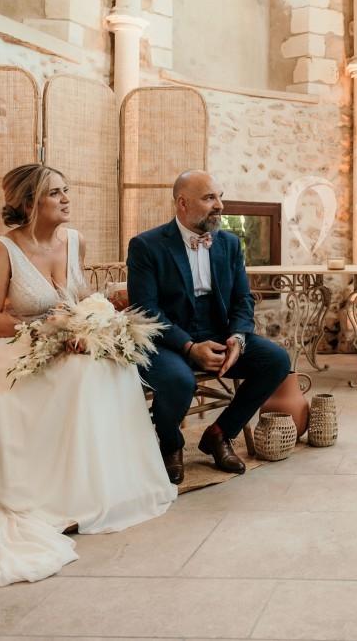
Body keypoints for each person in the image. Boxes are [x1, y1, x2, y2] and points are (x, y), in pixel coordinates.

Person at [0, 164, 176, 592]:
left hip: (65, 339)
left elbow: (77, 300)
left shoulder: (74, 241)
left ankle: (103, 487)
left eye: (66, 190)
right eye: (55, 193)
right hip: (12, 347)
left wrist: (87, 326)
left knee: (112, 364)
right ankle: (63, 495)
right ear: (28, 203)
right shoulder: (1, 249)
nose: (66, 198)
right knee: (80, 375)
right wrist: (47, 332)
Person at [127, 170, 291, 483]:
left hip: (219, 334)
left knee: (277, 360)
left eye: (220, 196)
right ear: (182, 204)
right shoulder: (146, 246)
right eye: (209, 198)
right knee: (179, 381)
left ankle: (219, 434)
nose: (219, 205)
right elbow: (144, 310)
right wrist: (189, 347)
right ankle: (171, 444)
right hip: (168, 340)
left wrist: (238, 340)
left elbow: (243, 299)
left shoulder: (229, 243)